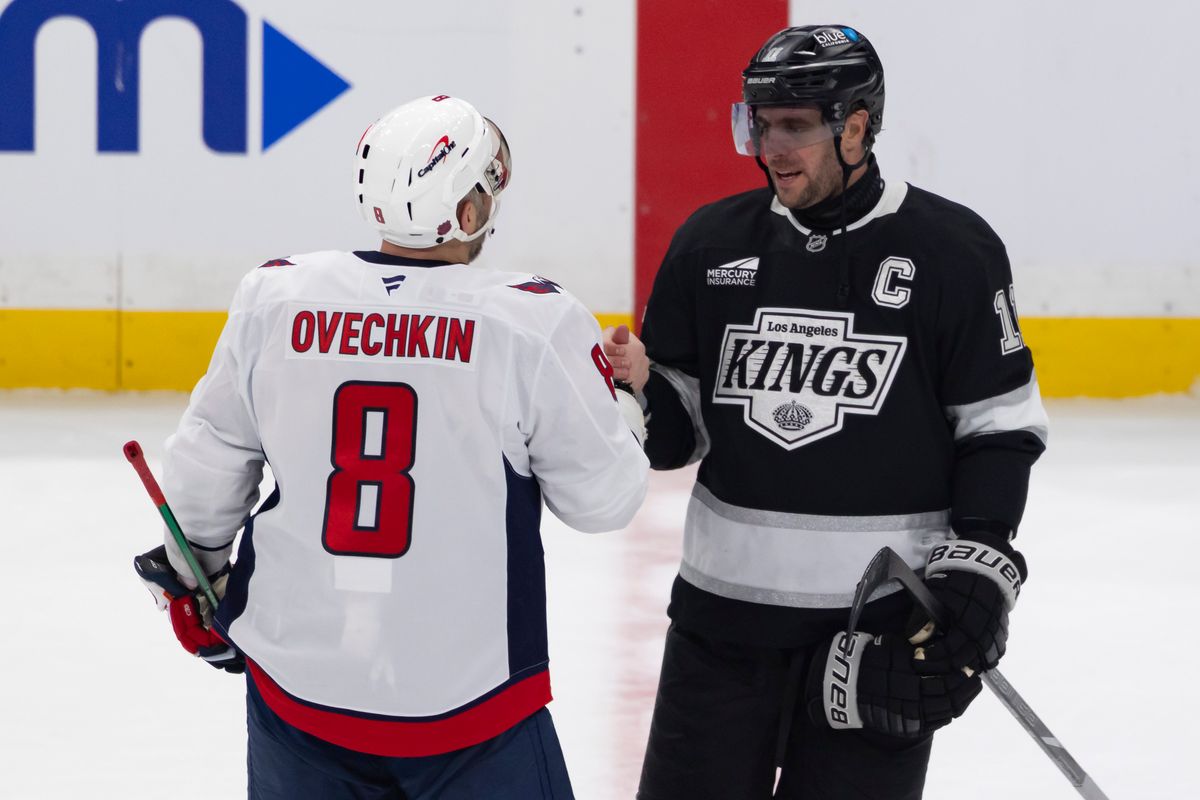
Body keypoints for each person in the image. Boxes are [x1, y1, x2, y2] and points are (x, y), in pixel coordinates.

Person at [135, 94, 649, 799]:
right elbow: (604, 501)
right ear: (469, 212)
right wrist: (623, 399)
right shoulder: (531, 321)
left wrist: (196, 573)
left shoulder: (277, 295)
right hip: (471, 707)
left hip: (299, 692)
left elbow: (209, 460)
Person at [604, 25, 1048, 799]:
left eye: (796, 127)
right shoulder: (710, 246)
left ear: (857, 125)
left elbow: (998, 430)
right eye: (761, 124)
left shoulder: (953, 252)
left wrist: (981, 567)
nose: (772, 147)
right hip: (719, 632)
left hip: (873, 635)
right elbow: (679, 438)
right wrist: (643, 389)